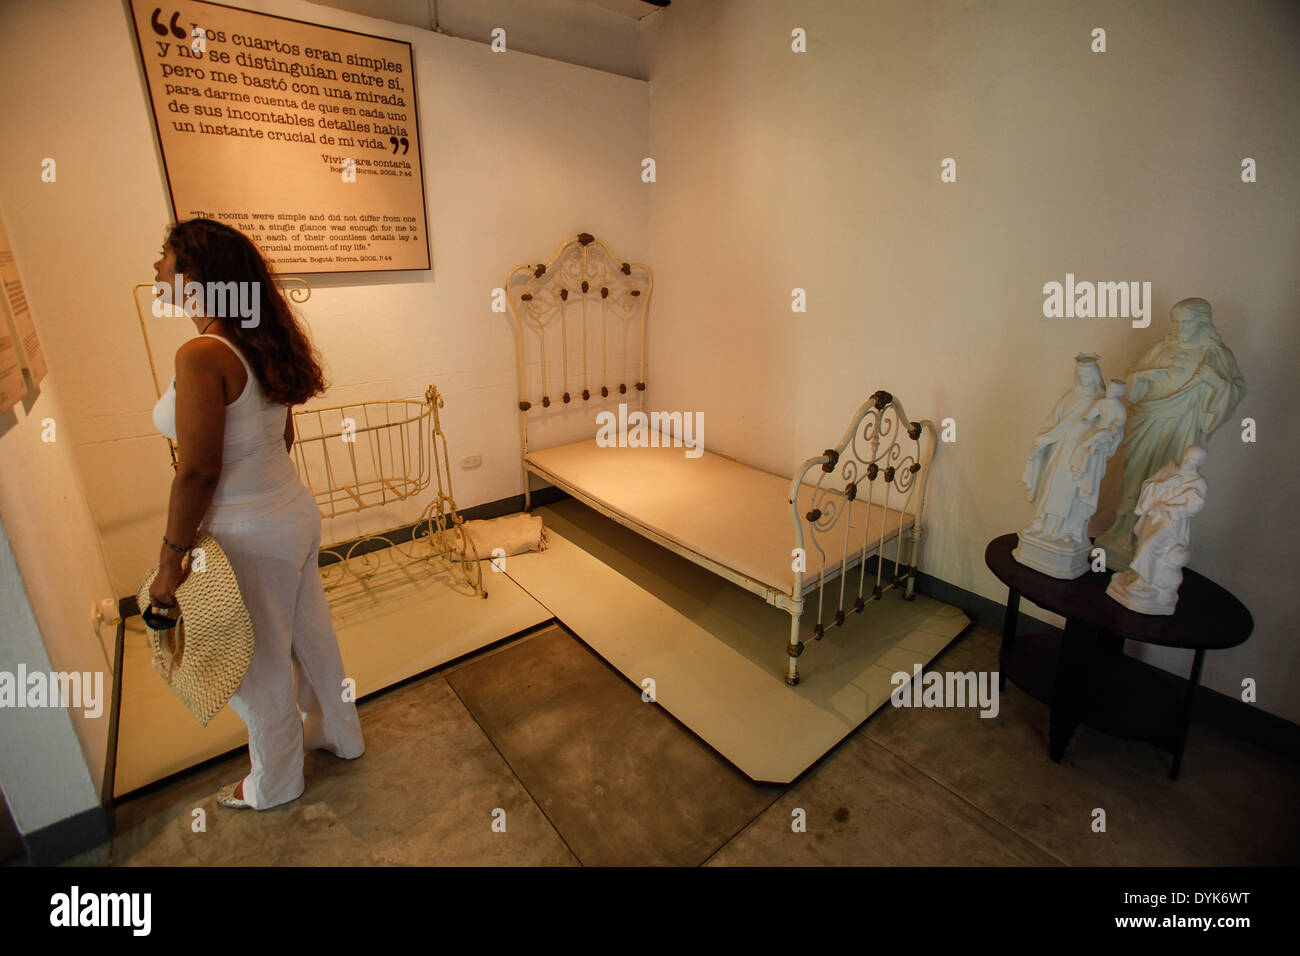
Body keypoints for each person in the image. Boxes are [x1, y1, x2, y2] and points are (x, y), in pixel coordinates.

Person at [147, 218, 364, 810]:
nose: (156, 270)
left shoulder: (201, 354)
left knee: (258, 663)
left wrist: (171, 563)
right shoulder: (259, 338)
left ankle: (275, 781)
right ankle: (340, 734)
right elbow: (282, 435)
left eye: (164, 259)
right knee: (311, 637)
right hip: (290, 510)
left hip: (246, 533)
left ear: (197, 275)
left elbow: (196, 471)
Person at [1095, 298, 1245, 568]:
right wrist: (1146, 377)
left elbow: (1235, 390)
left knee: (1164, 480)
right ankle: (1120, 533)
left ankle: (1148, 542)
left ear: (1203, 323)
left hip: (1182, 427)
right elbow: (1133, 378)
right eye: (1175, 321)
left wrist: (1215, 382)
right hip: (1149, 421)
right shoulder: (1163, 347)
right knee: (1134, 476)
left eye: (1186, 322)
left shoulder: (1215, 354)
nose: (1179, 327)